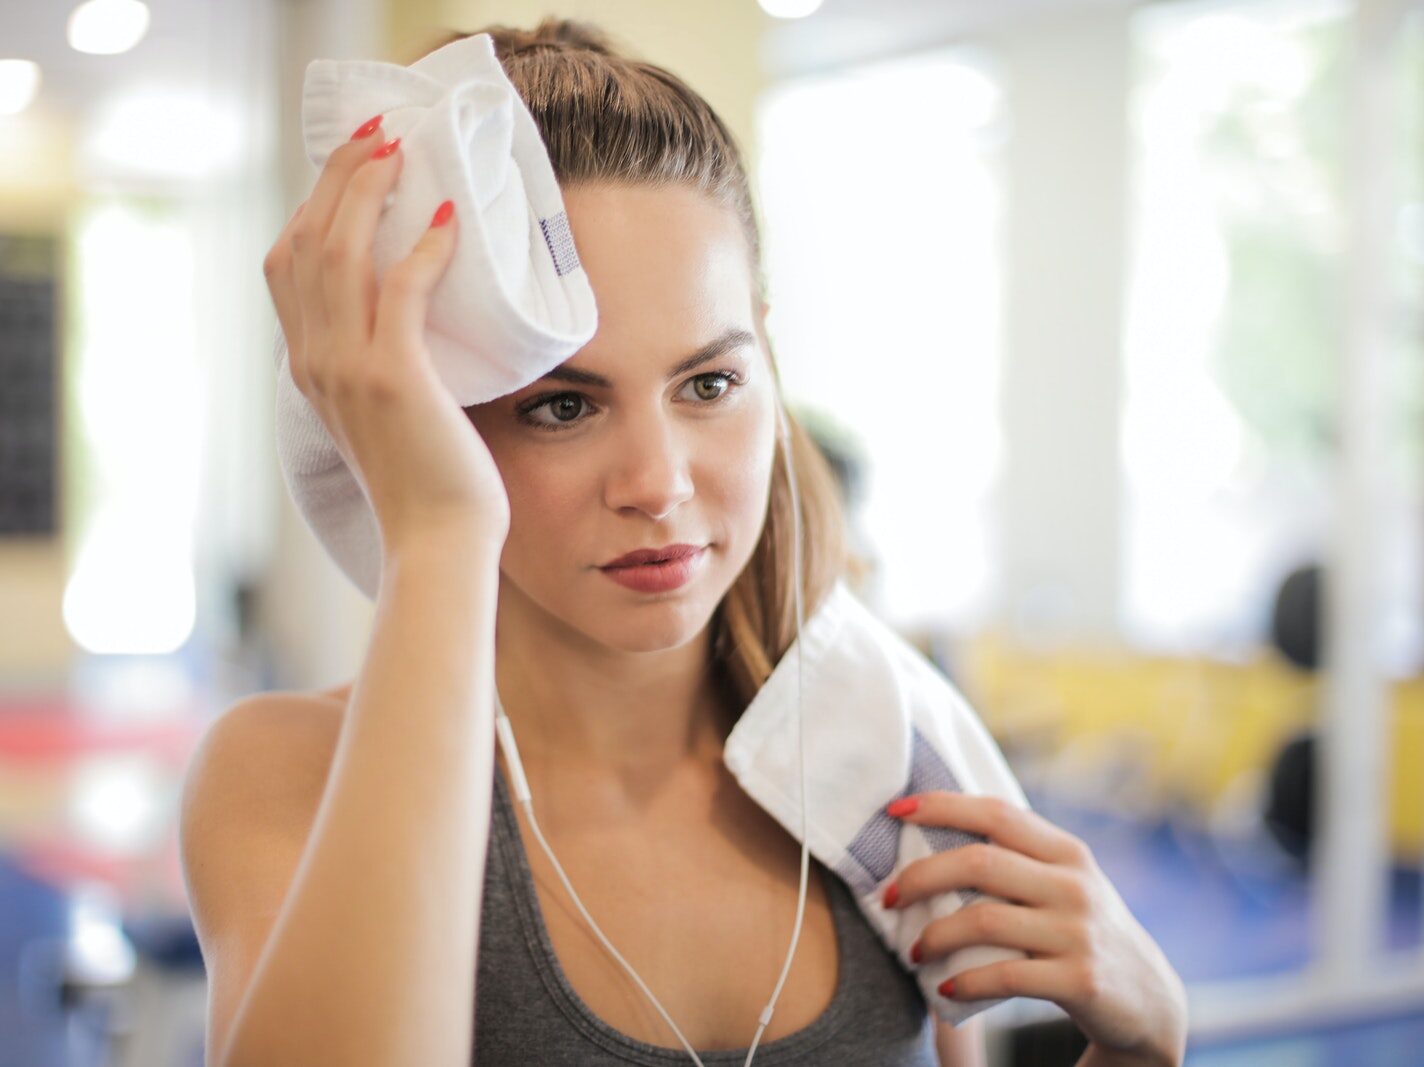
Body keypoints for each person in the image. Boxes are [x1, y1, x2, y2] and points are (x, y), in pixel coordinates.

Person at [178, 17, 1187, 1067]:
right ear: (426, 409)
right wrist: (435, 528)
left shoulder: (881, 766)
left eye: (708, 382)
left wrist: (1142, 1040)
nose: (657, 484)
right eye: (560, 406)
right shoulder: (284, 775)